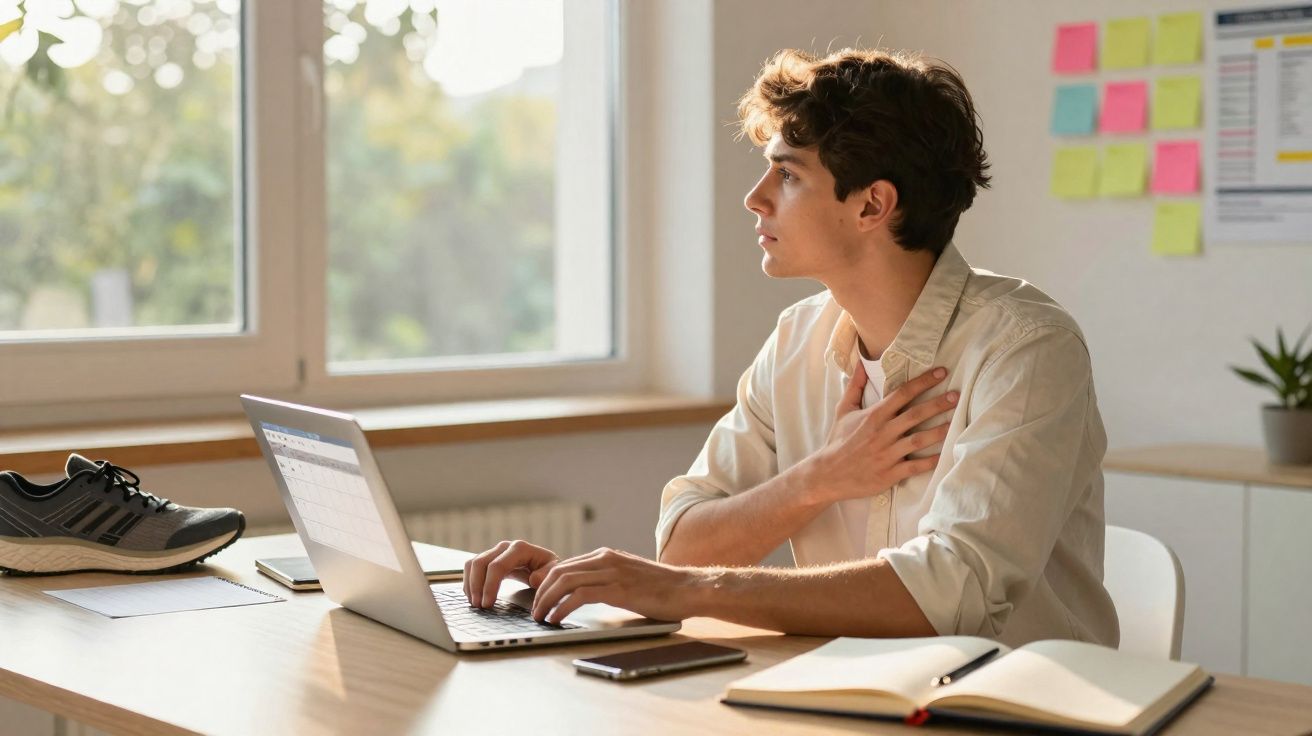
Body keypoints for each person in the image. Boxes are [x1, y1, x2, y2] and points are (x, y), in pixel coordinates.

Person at [464, 48, 1118, 648]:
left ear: (871, 206)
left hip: (1014, 710)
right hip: (845, 701)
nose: (755, 199)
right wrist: (819, 479)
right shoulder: (797, 339)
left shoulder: (1027, 350)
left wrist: (689, 593)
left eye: (788, 176)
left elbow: (952, 593)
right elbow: (683, 541)